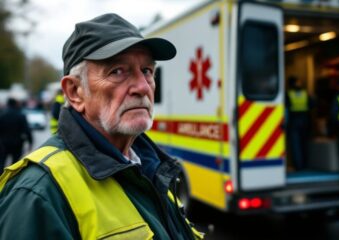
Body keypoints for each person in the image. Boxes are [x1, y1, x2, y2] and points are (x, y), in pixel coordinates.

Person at [0, 13, 203, 239]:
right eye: (117, 71)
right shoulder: (38, 194)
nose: (142, 87)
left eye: (147, 71)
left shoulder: (151, 168)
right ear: (75, 92)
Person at [285, 76, 313, 171]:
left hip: (294, 121)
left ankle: (299, 166)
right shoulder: (305, 93)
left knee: (295, 145)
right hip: (305, 120)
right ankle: (305, 164)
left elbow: (286, 110)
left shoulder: (289, 94)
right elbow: (312, 104)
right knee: (304, 143)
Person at [0, 97, 32, 174]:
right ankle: (11, 180)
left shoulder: (2, 115)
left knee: (1, 163)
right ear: (15, 104)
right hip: (17, 143)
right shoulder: (20, 115)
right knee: (15, 164)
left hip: (3, 143)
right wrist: (30, 142)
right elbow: (27, 130)